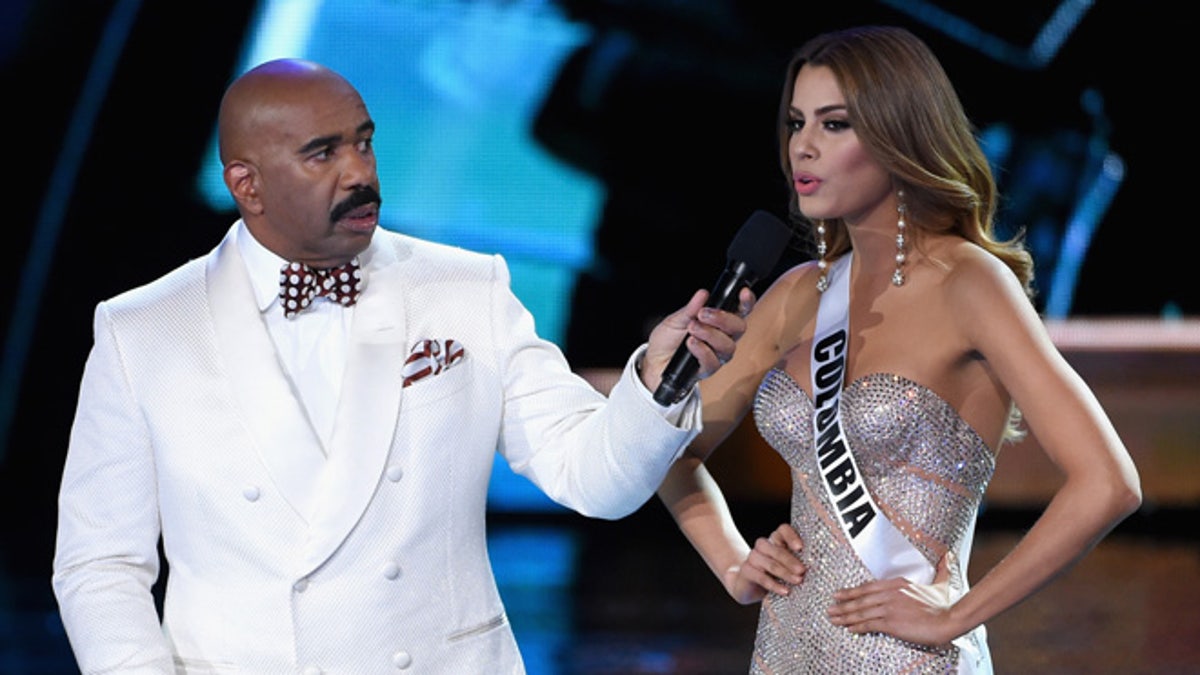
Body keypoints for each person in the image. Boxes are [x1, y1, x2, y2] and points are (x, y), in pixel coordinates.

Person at [50, 57, 752, 674]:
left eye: (364, 142)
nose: (360, 172)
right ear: (247, 183)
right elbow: (100, 563)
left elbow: (594, 479)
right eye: (323, 154)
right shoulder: (141, 328)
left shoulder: (465, 289)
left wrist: (660, 383)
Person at [655, 25, 1141, 673]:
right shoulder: (799, 293)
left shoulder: (971, 283)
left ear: (898, 134)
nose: (802, 146)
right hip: (783, 651)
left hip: (911, 658)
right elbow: (664, 450)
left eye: (834, 125)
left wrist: (958, 613)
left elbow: (1109, 482)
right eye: (796, 122)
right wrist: (734, 562)